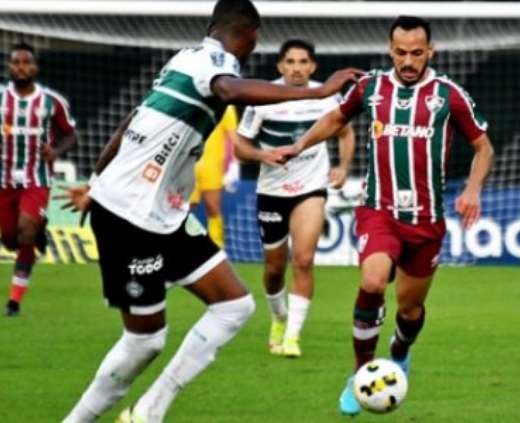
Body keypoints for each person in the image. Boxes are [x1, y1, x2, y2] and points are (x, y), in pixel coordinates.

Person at [58, 0, 361, 421]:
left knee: (235, 306)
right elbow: (229, 91)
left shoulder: (186, 59)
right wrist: (320, 90)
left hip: (163, 213)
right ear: (252, 37)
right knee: (145, 342)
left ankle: (149, 410)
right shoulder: (214, 64)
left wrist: (94, 182)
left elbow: (133, 119)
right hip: (130, 215)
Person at [276, 16, 494, 416]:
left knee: (409, 310)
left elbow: (483, 147)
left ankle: (400, 350)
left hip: (426, 222)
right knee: (373, 281)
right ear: (389, 49)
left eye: (416, 52)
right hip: (380, 211)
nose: (407, 60)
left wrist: (473, 189)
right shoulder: (371, 88)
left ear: (431, 51)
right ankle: (361, 375)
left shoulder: (449, 96)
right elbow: (336, 119)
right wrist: (300, 144)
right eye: (400, 52)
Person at [234, 39, 355, 358]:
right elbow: (240, 148)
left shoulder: (328, 96)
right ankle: (278, 317)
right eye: (290, 62)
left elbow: (345, 132)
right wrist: (263, 155)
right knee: (274, 269)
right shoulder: (262, 98)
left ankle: (292, 337)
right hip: (272, 191)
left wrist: (343, 166)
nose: (297, 68)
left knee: (303, 260)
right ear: (280, 66)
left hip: (311, 188)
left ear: (313, 66)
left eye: (303, 62)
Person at [0, 42, 78, 316]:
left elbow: (71, 135)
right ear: (9, 67)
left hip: (38, 179)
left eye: (26, 62)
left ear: (35, 67)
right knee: (11, 240)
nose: (21, 67)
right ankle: (38, 230)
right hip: (5, 181)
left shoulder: (51, 102)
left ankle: (13, 301)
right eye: (16, 63)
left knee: (26, 231)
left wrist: (55, 151)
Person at [190, 104, 240, 248]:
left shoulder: (227, 108)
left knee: (212, 207)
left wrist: (234, 167)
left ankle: (217, 247)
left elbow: (233, 138)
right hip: (189, 163)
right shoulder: (196, 102)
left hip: (212, 166)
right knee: (184, 208)